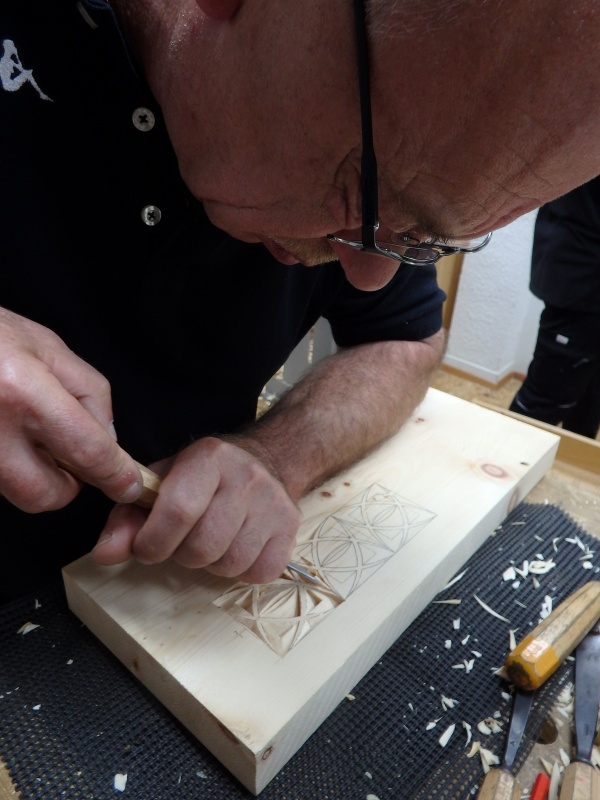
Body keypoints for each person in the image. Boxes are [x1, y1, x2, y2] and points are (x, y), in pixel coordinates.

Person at [1, 0, 599, 602]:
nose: (372, 276)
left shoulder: (389, 168)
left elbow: (405, 340)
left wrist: (277, 454)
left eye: (424, 239)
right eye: (363, 189)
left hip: (152, 587)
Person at [509, 178, 600, 439]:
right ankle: (498, 461)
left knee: (590, 396)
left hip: (580, 264)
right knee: (543, 401)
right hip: (585, 277)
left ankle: (575, 453)